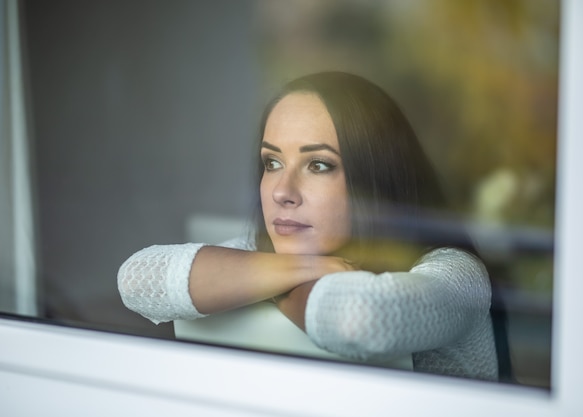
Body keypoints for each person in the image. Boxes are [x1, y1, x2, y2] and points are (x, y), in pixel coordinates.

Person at [118, 72, 499, 381]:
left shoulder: (456, 273)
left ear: (375, 180)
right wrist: (308, 268)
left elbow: (361, 320)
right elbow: (138, 280)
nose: (282, 191)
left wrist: (260, 281)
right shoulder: (278, 251)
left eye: (318, 164)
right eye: (272, 163)